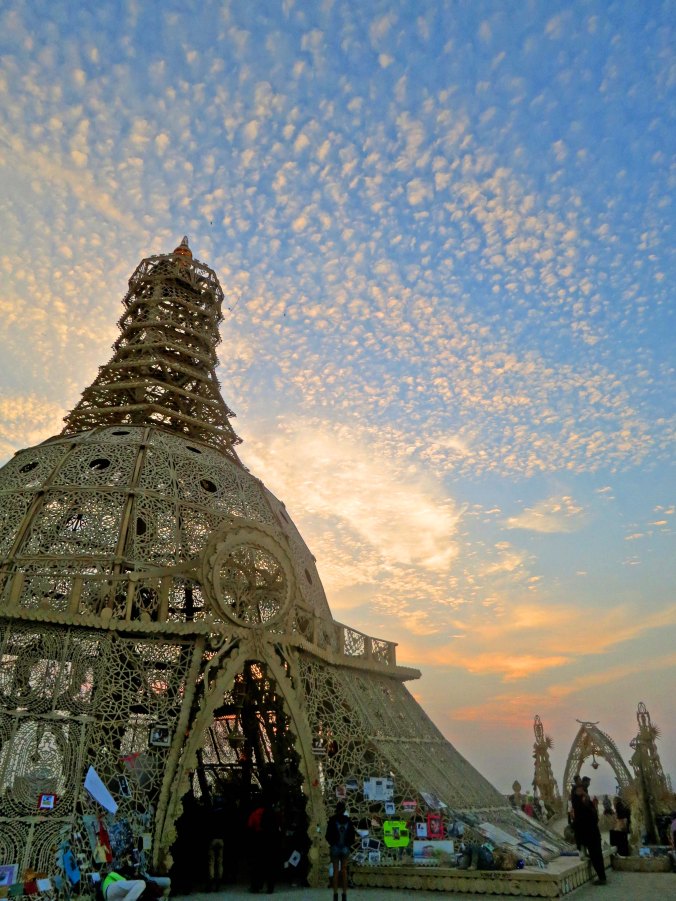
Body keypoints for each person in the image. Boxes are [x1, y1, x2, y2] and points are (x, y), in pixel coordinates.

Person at [571, 784, 607, 886]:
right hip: (593, 833)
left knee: (596, 856)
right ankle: (602, 876)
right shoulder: (586, 803)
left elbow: (583, 819)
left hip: (589, 834)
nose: (579, 793)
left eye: (580, 791)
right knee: (597, 855)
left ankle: (602, 877)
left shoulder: (581, 804)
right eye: (578, 791)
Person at [247, 796, 282, 894]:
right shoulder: (272, 813)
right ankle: (270, 887)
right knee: (270, 864)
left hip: (259, 840)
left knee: (258, 864)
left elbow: (250, 826)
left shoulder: (255, 813)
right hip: (271, 841)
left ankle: (257, 886)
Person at [325, 801, 355, 901]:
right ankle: (344, 894)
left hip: (335, 848)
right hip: (345, 848)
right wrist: (348, 845)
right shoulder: (348, 821)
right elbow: (352, 837)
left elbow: (327, 835)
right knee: (344, 871)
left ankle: (335, 894)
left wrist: (332, 843)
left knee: (335, 871)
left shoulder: (332, 820)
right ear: (344, 810)